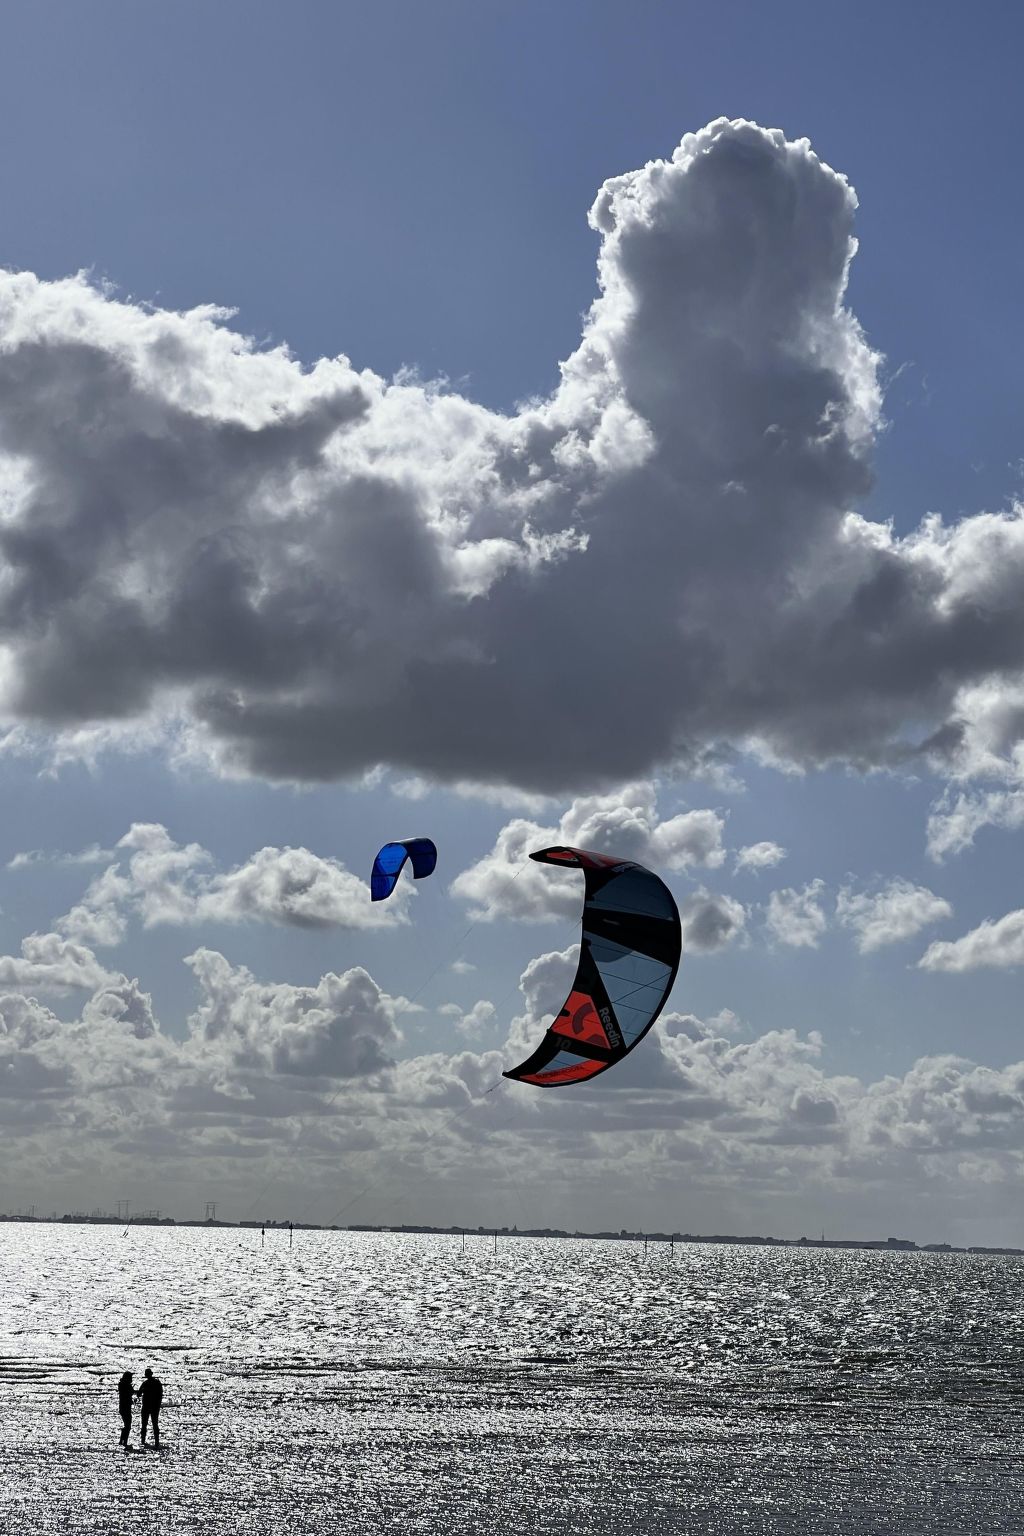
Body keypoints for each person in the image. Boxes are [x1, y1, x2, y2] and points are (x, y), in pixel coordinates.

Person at [135, 1367, 163, 1448]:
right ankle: (156, 1442)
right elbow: (160, 1395)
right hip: (154, 1407)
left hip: (147, 1406)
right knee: (154, 1424)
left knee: (144, 1424)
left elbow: (138, 1394)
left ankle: (143, 1441)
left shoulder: (145, 1383)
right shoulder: (157, 1383)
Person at [117, 1371, 134, 1446]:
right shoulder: (126, 1386)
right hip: (126, 1408)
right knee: (128, 1426)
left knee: (126, 1425)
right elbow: (131, 1392)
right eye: (130, 1377)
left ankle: (122, 1441)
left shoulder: (122, 1385)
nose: (131, 1379)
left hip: (123, 1408)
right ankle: (124, 1442)